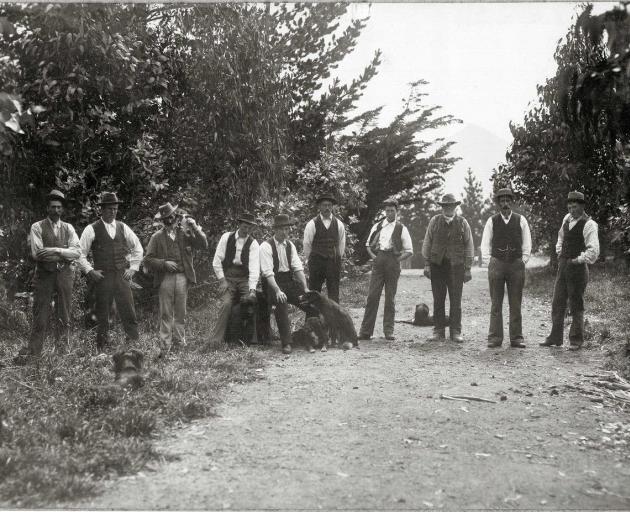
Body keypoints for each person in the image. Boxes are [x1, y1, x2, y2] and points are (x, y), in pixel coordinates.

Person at [14, 190, 81, 363]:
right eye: (53, 207)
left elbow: (77, 252)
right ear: (47, 208)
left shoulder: (69, 228)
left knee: (64, 314)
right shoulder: (37, 227)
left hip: (65, 275)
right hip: (44, 275)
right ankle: (34, 355)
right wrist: (65, 254)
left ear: (62, 209)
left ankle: (62, 355)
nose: (56, 210)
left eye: (59, 207)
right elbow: (38, 254)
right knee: (40, 316)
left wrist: (55, 250)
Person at [77, 192, 143, 352]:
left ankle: (133, 344)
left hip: (121, 276)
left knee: (128, 309)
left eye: (115, 209)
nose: (112, 212)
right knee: (102, 312)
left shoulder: (122, 227)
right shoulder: (91, 229)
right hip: (103, 277)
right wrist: (90, 271)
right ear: (102, 210)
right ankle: (102, 346)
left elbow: (137, 248)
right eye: (109, 209)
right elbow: (79, 253)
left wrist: (132, 268)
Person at [144, 202, 208, 357]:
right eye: (166, 218)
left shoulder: (185, 233)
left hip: (182, 277)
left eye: (171, 216)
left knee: (180, 312)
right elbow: (148, 259)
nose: (169, 220)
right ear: (162, 220)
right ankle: (165, 347)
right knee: (166, 313)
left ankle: (180, 343)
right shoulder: (157, 237)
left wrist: (195, 227)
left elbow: (203, 244)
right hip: (165, 278)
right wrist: (164, 263)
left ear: (176, 216)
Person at [541, 191, 599, 350]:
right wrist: (560, 251)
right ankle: (555, 337)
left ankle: (576, 340)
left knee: (576, 303)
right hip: (563, 266)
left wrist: (578, 259)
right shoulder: (566, 219)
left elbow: (594, 251)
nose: (571, 210)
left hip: (578, 269)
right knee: (557, 302)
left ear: (582, 206)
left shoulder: (589, 224)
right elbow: (560, 237)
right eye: (569, 206)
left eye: (574, 207)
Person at [480, 188, 532, 348]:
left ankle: (516, 338)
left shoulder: (521, 220)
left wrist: (523, 260)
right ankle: (495, 337)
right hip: (497, 264)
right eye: (502, 201)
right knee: (496, 303)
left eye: (507, 201)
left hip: (516, 265)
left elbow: (527, 243)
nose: (505, 204)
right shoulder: (492, 221)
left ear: (512, 202)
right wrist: (491, 261)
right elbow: (485, 244)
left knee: (515, 303)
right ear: (498, 203)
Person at [421, 193, 475, 342]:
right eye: (445, 206)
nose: (448, 208)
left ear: (455, 207)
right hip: (437, 265)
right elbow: (427, 242)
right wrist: (427, 264)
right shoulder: (434, 221)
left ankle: (455, 331)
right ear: (442, 207)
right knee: (438, 299)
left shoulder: (463, 223)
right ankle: (438, 331)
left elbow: (469, 245)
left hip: (456, 267)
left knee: (455, 301)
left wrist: (468, 268)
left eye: (450, 205)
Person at [260, 214, 316, 354]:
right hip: (272, 284)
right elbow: (268, 273)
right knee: (281, 302)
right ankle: (286, 342)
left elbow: (298, 268)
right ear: (275, 230)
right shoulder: (266, 246)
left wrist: (305, 287)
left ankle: (305, 336)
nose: (285, 232)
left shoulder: (290, 245)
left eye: (287, 229)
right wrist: (278, 291)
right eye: (282, 229)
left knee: (310, 302)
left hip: (289, 281)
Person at [358, 200, 413, 341]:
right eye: (387, 211)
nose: (389, 213)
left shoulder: (402, 228)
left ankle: (388, 331)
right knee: (372, 296)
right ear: (385, 211)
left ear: (397, 211)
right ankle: (365, 331)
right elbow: (368, 245)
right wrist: (374, 258)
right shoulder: (378, 226)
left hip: (392, 262)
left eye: (392, 211)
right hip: (379, 260)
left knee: (390, 298)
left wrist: (397, 260)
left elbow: (409, 251)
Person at [208, 212, 260, 348]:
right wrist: (222, 280)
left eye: (249, 227)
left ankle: (252, 340)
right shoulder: (227, 237)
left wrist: (252, 289)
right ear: (239, 225)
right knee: (226, 304)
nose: (246, 230)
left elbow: (254, 268)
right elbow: (216, 261)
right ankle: (217, 340)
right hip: (228, 277)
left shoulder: (253, 243)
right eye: (244, 226)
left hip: (244, 278)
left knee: (251, 301)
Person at [302, 194, 346, 304]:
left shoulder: (339, 224)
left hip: (333, 263)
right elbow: (307, 244)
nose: (327, 208)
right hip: (317, 263)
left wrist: (336, 258)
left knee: (334, 293)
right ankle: (312, 320)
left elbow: (341, 244)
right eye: (324, 205)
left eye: (329, 205)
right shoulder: (312, 224)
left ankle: (333, 320)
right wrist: (312, 260)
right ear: (319, 207)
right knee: (314, 293)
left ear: (332, 207)